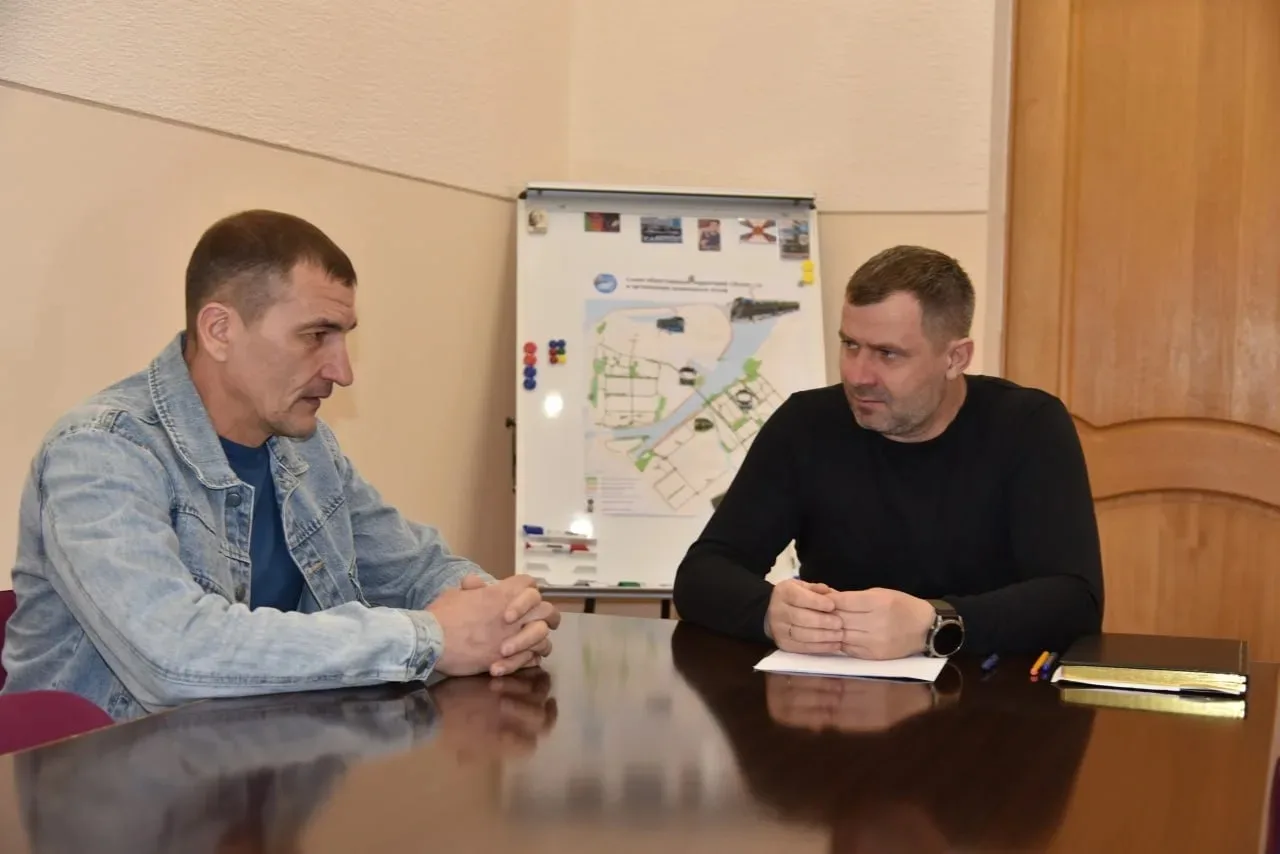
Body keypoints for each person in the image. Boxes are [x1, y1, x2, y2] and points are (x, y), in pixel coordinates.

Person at [1, 209, 559, 719]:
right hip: (98, 786)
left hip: (259, 772)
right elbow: (174, 655)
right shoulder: (99, 452)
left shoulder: (306, 447)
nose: (342, 372)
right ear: (219, 331)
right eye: (316, 336)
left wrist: (503, 615)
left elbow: (413, 569)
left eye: (343, 338)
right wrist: (428, 637)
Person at [672, 245, 1103, 658]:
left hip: (987, 690)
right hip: (834, 688)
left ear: (955, 358)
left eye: (887, 354)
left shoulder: (1027, 426)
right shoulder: (806, 425)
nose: (858, 375)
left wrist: (934, 623)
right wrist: (769, 612)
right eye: (850, 345)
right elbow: (702, 574)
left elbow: (1074, 601)